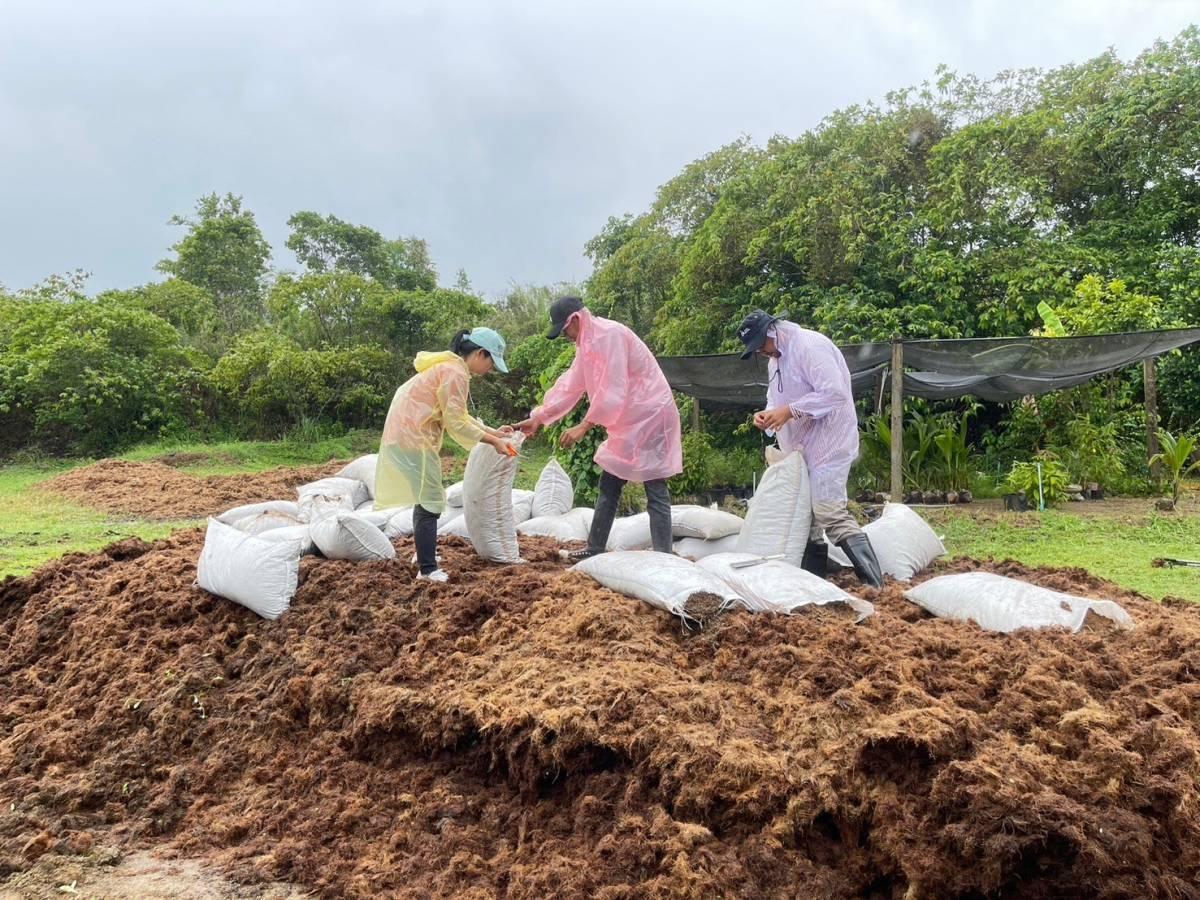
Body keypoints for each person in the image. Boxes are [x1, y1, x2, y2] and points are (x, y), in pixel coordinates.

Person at [514, 296, 682, 560]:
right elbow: (571, 384)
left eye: (565, 330)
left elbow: (613, 388)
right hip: (629, 420)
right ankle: (594, 549)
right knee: (610, 482)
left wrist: (585, 425)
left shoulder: (610, 335)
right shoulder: (587, 345)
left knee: (654, 484)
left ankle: (664, 556)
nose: (566, 336)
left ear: (576, 319)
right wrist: (539, 417)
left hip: (650, 413)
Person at [736, 309, 884, 588]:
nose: (761, 353)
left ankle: (874, 584)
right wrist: (767, 416)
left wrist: (790, 411)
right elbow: (775, 398)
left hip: (830, 441)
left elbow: (834, 392)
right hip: (801, 446)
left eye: (761, 346)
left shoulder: (810, 346)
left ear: (772, 332)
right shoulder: (775, 361)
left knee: (828, 509)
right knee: (806, 514)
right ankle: (814, 581)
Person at [375, 327, 516, 583]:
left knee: (425, 498)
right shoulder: (455, 373)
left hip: (406, 435)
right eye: (491, 363)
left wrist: (493, 431)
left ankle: (423, 556)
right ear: (480, 354)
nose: (490, 370)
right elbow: (457, 423)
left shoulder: (450, 368)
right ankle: (427, 570)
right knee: (430, 501)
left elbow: (459, 416)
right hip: (413, 439)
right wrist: (494, 441)